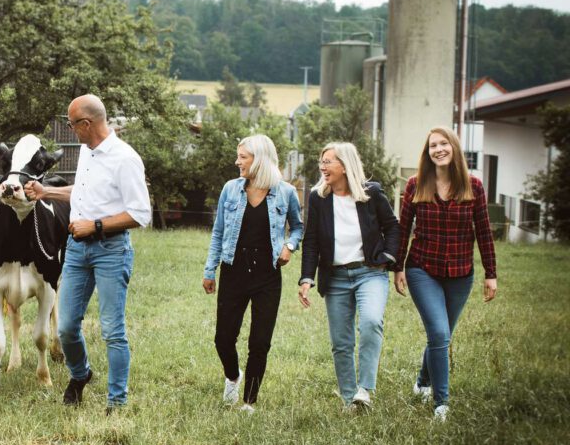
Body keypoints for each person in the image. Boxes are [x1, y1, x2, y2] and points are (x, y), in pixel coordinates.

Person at [25, 94, 152, 412]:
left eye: (71, 124)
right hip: (77, 250)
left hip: (111, 250)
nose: (70, 131)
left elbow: (140, 213)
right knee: (66, 327)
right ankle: (80, 375)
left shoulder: (125, 158)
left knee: (112, 329)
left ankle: (116, 401)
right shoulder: (87, 151)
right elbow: (81, 190)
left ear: (86, 123)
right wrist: (47, 191)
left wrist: (94, 226)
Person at [394, 126, 497, 422]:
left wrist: (491, 273)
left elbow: (484, 233)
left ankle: (422, 381)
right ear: (427, 153)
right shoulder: (415, 185)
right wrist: (398, 266)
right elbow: (403, 229)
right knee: (439, 333)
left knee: (442, 335)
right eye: (432, 146)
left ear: (454, 148)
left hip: (461, 273)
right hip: (422, 269)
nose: (438, 149)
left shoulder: (473, 187)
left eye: (443, 144)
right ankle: (441, 403)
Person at [202, 135, 303, 414]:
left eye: (242, 157)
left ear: (259, 159)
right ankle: (233, 377)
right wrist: (210, 269)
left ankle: (249, 401)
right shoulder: (230, 190)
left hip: (267, 275)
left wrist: (289, 246)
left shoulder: (285, 192)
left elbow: (298, 227)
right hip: (233, 270)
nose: (237, 162)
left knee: (260, 342)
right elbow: (219, 232)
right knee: (223, 338)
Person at [298, 142, 399, 410]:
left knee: (370, 322)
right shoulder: (318, 198)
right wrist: (307, 277)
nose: (322, 166)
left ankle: (364, 389)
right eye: (321, 161)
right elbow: (311, 241)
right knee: (341, 342)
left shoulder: (371, 194)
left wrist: (388, 258)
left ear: (345, 165)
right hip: (336, 278)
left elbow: (393, 227)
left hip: (370, 273)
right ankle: (348, 399)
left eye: (328, 161)